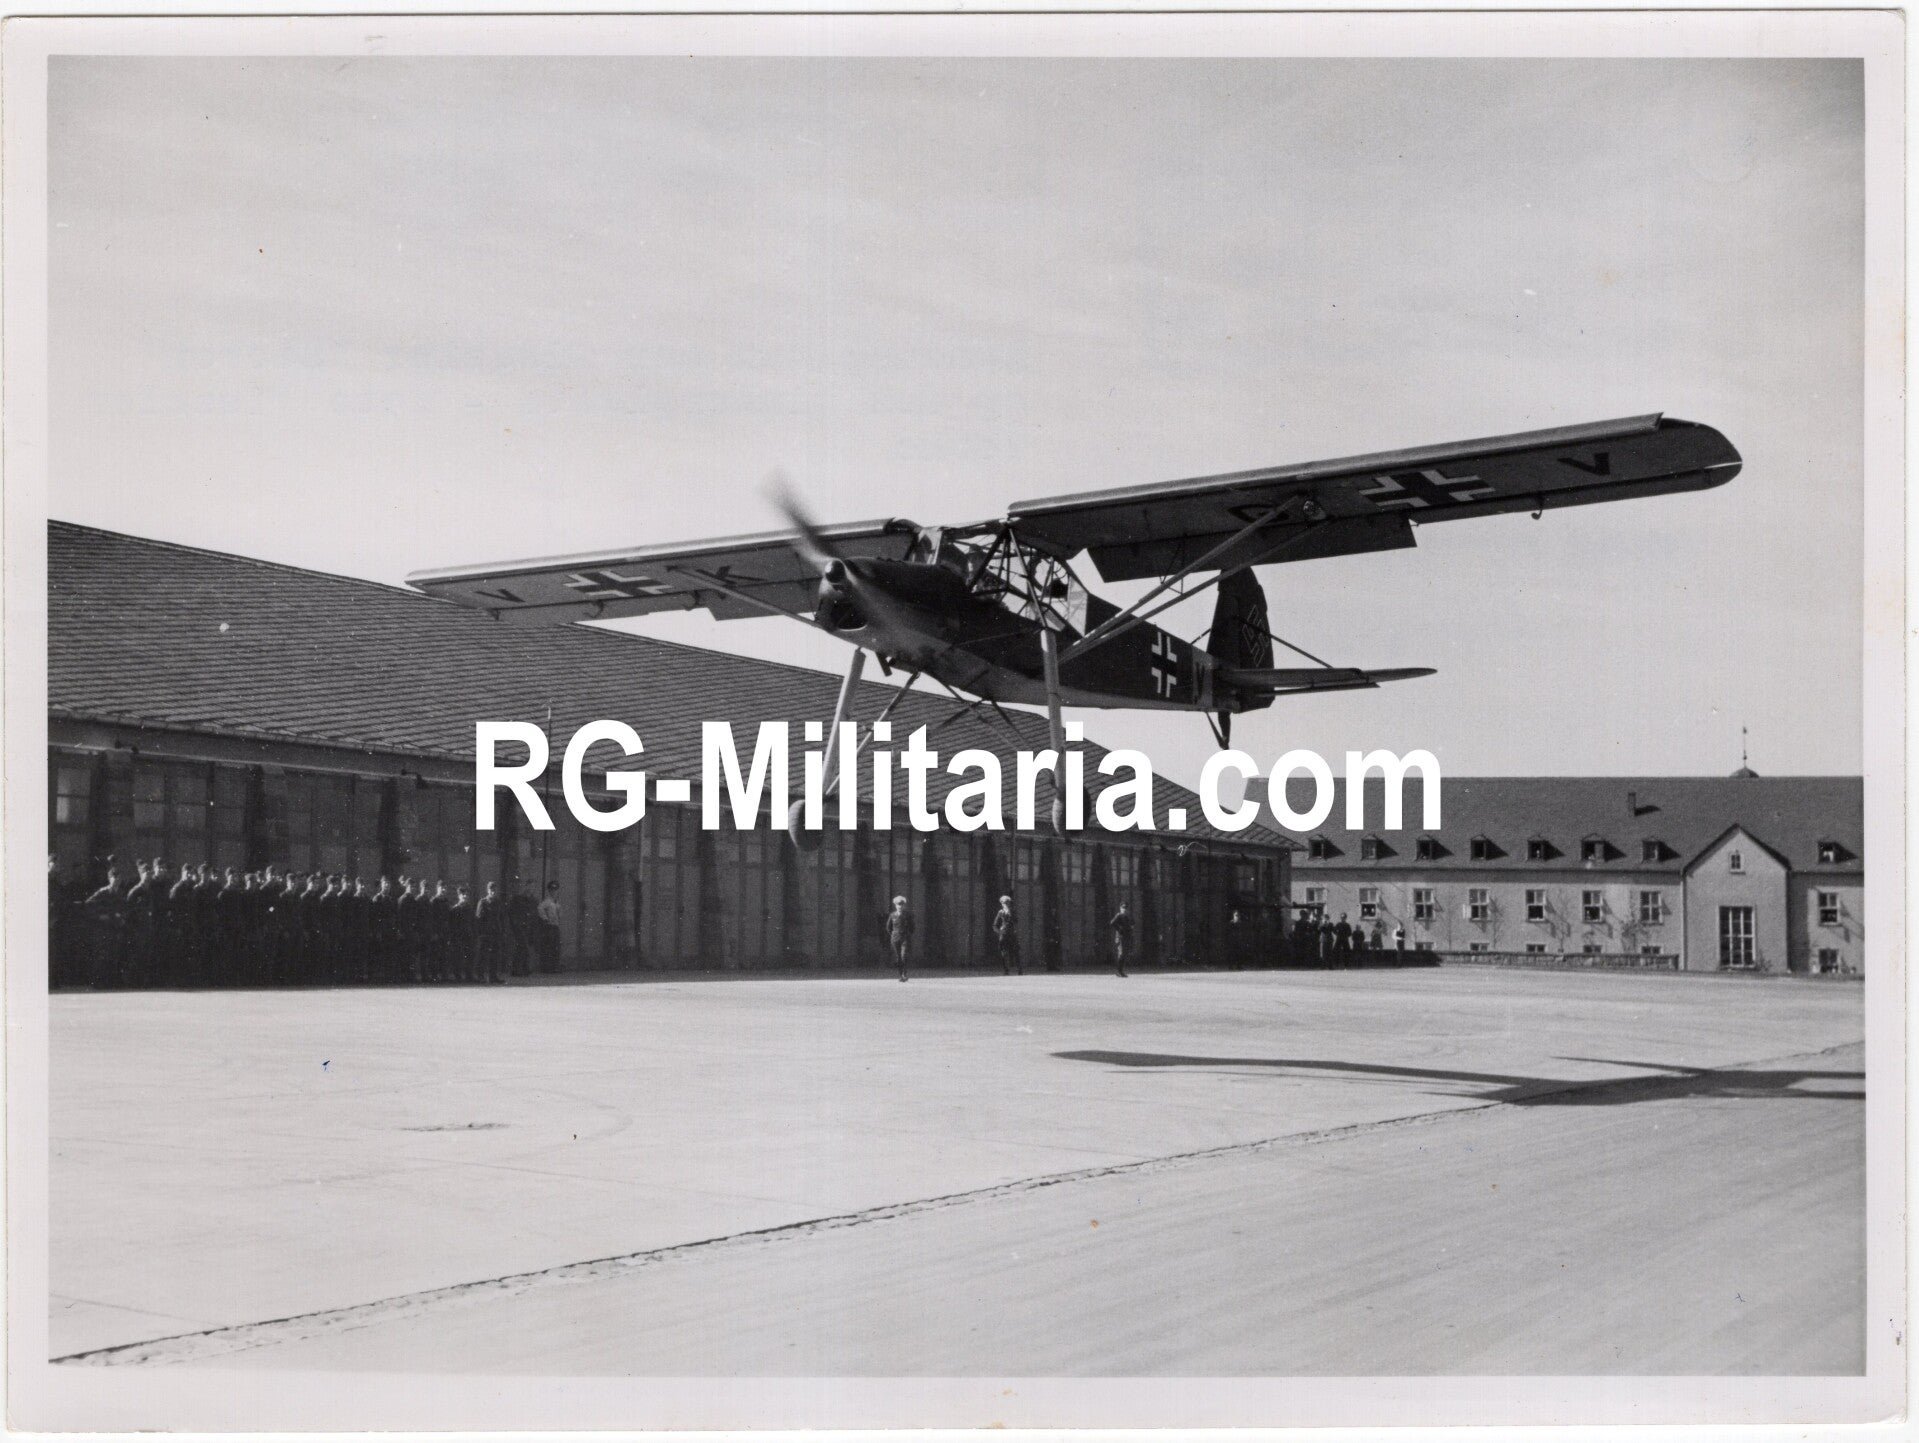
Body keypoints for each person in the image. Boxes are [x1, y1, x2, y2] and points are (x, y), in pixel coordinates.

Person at [536, 881, 563, 975]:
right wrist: (545, 918)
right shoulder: (547, 901)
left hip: (556, 926)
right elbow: (540, 908)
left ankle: (554, 967)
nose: (554, 892)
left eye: (555, 890)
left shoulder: (556, 902)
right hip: (549, 926)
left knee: (556, 947)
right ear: (549, 891)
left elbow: (559, 914)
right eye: (552, 890)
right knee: (549, 947)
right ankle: (547, 968)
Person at [885, 895, 914, 981]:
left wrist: (908, 934)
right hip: (895, 938)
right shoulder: (892, 915)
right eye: (898, 904)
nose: (900, 906)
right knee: (898, 957)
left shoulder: (908, 915)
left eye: (901, 904)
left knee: (903, 955)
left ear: (904, 905)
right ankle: (900, 975)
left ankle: (905, 974)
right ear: (895, 905)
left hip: (905, 937)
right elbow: (888, 927)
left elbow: (912, 927)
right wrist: (894, 934)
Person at [991, 895, 1021, 975]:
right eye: (1005, 903)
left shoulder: (1013, 911)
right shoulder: (1000, 912)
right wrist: (999, 932)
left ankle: (1020, 970)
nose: (1007, 904)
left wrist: (1009, 912)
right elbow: (994, 925)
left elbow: (1016, 921)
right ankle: (1006, 970)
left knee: (1016, 952)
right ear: (1002, 903)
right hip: (1004, 934)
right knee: (1004, 953)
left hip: (1012, 934)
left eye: (1008, 903)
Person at [1109, 901, 1135, 978]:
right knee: (1121, 954)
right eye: (1123, 907)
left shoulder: (1128, 916)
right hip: (1120, 937)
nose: (1125, 909)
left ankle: (1121, 971)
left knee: (1124, 954)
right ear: (1120, 908)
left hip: (1127, 936)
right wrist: (1119, 929)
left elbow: (1133, 923)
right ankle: (1119, 971)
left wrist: (1131, 928)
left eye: (1126, 907)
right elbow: (1112, 923)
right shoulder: (1119, 915)